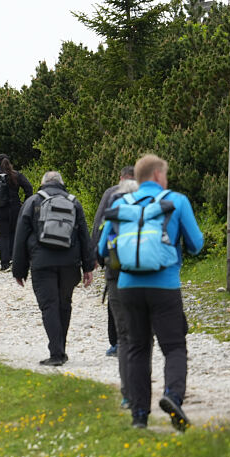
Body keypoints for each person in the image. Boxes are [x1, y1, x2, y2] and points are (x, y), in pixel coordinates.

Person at [100, 154, 204, 432]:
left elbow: (102, 249)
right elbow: (196, 244)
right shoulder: (176, 201)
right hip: (165, 285)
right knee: (173, 346)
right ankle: (172, 396)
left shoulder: (121, 204)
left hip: (128, 288)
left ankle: (139, 416)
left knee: (136, 348)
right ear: (158, 175)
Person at [11, 171, 96, 366]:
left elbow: (20, 238)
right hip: (69, 263)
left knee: (49, 306)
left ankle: (56, 353)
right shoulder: (74, 202)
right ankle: (61, 349)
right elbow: (83, 235)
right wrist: (88, 267)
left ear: (42, 183)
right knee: (64, 305)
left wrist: (19, 270)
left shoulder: (33, 202)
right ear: (62, 184)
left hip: (42, 263)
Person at [92, 165, 137, 407]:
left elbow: (101, 222)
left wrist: (95, 258)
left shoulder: (111, 193)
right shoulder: (147, 194)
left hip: (115, 260)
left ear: (120, 177)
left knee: (115, 299)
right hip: (143, 262)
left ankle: (115, 343)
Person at [0, 154, 34, 271]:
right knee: (15, 234)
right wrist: (25, 203)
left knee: (3, 236)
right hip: (15, 208)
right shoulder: (16, 175)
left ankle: (4, 263)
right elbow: (28, 188)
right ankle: (15, 260)